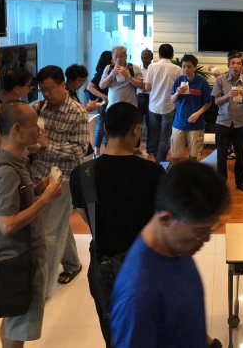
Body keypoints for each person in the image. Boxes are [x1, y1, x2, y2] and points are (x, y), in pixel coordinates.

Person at [70, 102, 165, 347]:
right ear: (136, 129)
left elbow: (87, 218)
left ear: (106, 128)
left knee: (114, 333)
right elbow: (163, 221)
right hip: (145, 265)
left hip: (104, 267)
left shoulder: (82, 174)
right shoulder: (153, 172)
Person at [110, 161, 230, 348]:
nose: (206, 239)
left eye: (211, 229)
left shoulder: (178, 248)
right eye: (201, 231)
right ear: (166, 219)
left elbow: (179, 319)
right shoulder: (138, 296)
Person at [0, 100, 63, 347]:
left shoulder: (8, 160)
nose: (39, 130)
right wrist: (45, 200)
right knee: (18, 328)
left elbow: (12, 203)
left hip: (14, 259)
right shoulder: (7, 170)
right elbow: (7, 224)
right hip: (18, 260)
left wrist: (37, 190)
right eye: (33, 125)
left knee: (12, 320)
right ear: (17, 129)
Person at [29, 66, 88, 297]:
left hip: (63, 178)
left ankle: (43, 289)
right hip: (39, 174)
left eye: (50, 89)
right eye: (42, 90)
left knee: (50, 232)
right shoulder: (39, 107)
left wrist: (48, 145)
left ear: (63, 85)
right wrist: (34, 145)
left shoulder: (77, 112)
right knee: (57, 224)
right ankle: (72, 263)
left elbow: (80, 151)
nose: (46, 94)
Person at [211, 51, 243, 192]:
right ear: (228, 65)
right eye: (233, 63)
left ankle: (240, 182)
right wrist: (228, 95)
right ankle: (221, 183)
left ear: (242, 66)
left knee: (240, 156)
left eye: (239, 63)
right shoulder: (220, 80)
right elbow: (216, 101)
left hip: (240, 123)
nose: (236, 66)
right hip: (223, 122)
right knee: (221, 156)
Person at [170, 54, 212, 163]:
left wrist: (198, 114)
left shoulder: (202, 82)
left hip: (196, 125)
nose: (186, 69)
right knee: (175, 155)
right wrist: (177, 93)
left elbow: (208, 102)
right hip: (179, 123)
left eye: (189, 67)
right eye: (184, 66)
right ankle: (176, 174)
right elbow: (172, 99)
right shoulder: (179, 80)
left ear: (195, 67)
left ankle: (191, 174)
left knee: (193, 156)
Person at [145, 44, 182, 162]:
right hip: (169, 106)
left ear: (159, 55)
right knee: (165, 138)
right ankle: (160, 162)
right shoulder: (177, 69)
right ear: (172, 56)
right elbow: (180, 88)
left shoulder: (152, 66)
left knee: (155, 136)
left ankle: (158, 161)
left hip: (153, 106)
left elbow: (147, 87)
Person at [0, 67, 33, 156]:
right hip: (5, 160)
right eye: (28, 85)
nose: (30, 89)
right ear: (17, 89)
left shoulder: (18, 102)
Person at [86, 51, 113, 157]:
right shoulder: (102, 72)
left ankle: (105, 149)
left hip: (104, 101)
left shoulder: (108, 72)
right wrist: (103, 96)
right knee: (101, 126)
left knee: (105, 126)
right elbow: (90, 87)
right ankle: (96, 151)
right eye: (113, 58)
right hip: (101, 102)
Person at [137, 49, 154, 155]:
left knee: (150, 123)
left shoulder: (154, 68)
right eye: (142, 57)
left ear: (151, 58)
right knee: (136, 122)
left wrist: (145, 85)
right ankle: (135, 146)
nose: (144, 59)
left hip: (151, 97)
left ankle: (150, 147)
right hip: (139, 96)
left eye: (146, 57)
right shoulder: (138, 68)